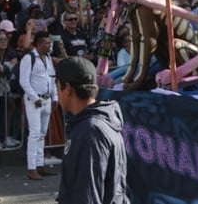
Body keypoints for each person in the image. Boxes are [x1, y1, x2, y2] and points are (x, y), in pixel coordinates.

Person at [56, 56, 129, 204]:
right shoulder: (99, 124)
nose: (57, 93)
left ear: (67, 88)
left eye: (57, 87)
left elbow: (88, 195)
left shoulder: (89, 131)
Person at [19, 31, 58, 181]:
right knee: (34, 133)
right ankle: (31, 167)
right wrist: (34, 97)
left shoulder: (47, 57)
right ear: (40, 43)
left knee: (42, 134)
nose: (49, 45)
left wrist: (55, 97)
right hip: (35, 100)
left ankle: (40, 164)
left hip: (46, 99)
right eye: (47, 43)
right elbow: (24, 80)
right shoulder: (29, 58)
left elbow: (52, 78)